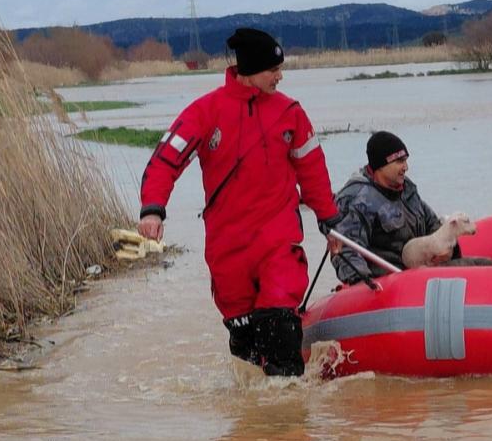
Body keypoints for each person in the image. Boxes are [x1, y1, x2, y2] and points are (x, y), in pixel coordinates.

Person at [138, 27, 342, 377]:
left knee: (279, 325)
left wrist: (329, 221)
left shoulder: (290, 112)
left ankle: (290, 408)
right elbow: (165, 161)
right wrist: (153, 210)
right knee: (245, 349)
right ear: (250, 70)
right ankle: (255, 408)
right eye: (273, 70)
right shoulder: (204, 112)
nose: (280, 76)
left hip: (278, 240)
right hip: (228, 249)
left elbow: (313, 171)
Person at [330, 131, 457, 285]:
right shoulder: (358, 199)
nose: (406, 167)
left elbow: (432, 224)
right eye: (399, 161)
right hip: (389, 284)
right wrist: (364, 283)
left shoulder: (407, 190)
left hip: (421, 274)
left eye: (406, 161)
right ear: (381, 165)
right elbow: (347, 250)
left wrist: (446, 249)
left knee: (478, 264)